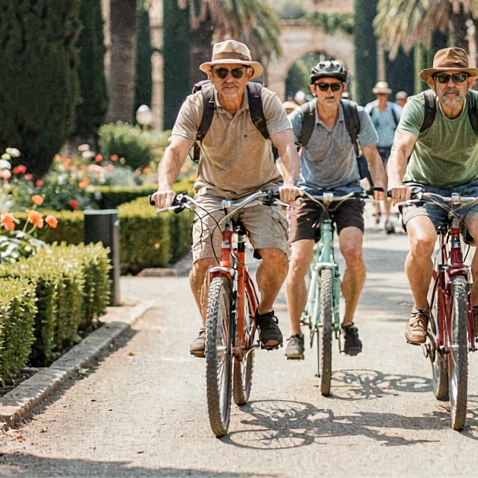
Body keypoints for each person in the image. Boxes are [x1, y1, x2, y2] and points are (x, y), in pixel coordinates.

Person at [151, 40, 301, 357]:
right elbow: (176, 149)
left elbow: (286, 146)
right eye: (221, 71)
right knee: (204, 262)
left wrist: (289, 182)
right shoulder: (197, 104)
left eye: (236, 71)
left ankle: (264, 312)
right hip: (212, 192)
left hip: (261, 190)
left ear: (248, 73)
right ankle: (208, 325)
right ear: (212, 74)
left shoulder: (266, 101)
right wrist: (165, 185)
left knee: (276, 255)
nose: (229, 78)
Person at [386, 47, 478, 344]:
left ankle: (474, 308)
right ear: (433, 83)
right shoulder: (419, 106)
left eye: (458, 77)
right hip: (422, 187)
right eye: (444, 78)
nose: (451, 84)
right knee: (422, 240)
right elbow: (401, 147)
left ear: (468, 82)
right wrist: (396, 182)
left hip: (469, 186)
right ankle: (420, 311)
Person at [283, 61, 387, 359]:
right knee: (299, 258)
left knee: (353, 252)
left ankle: (349, 323)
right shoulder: (300, 117)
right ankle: (294, 333)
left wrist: (379, 187)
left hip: (348, 191)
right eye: (323, 86)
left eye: (335, 86)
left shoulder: (356, 115)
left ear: (343, 88)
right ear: (314, 89)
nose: (329, 91)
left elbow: (372, 156)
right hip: (308, 192)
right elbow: (287, 154)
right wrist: (289, 183)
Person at [364, 80, 401, 227]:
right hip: (375, 150)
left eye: (384, 94)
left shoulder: (395, 110)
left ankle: (387, 216)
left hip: (390, 149)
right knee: (375, 182)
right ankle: (378, 209)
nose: (382, 97)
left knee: (388, 181)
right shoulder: (370, 109)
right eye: (379, 94)